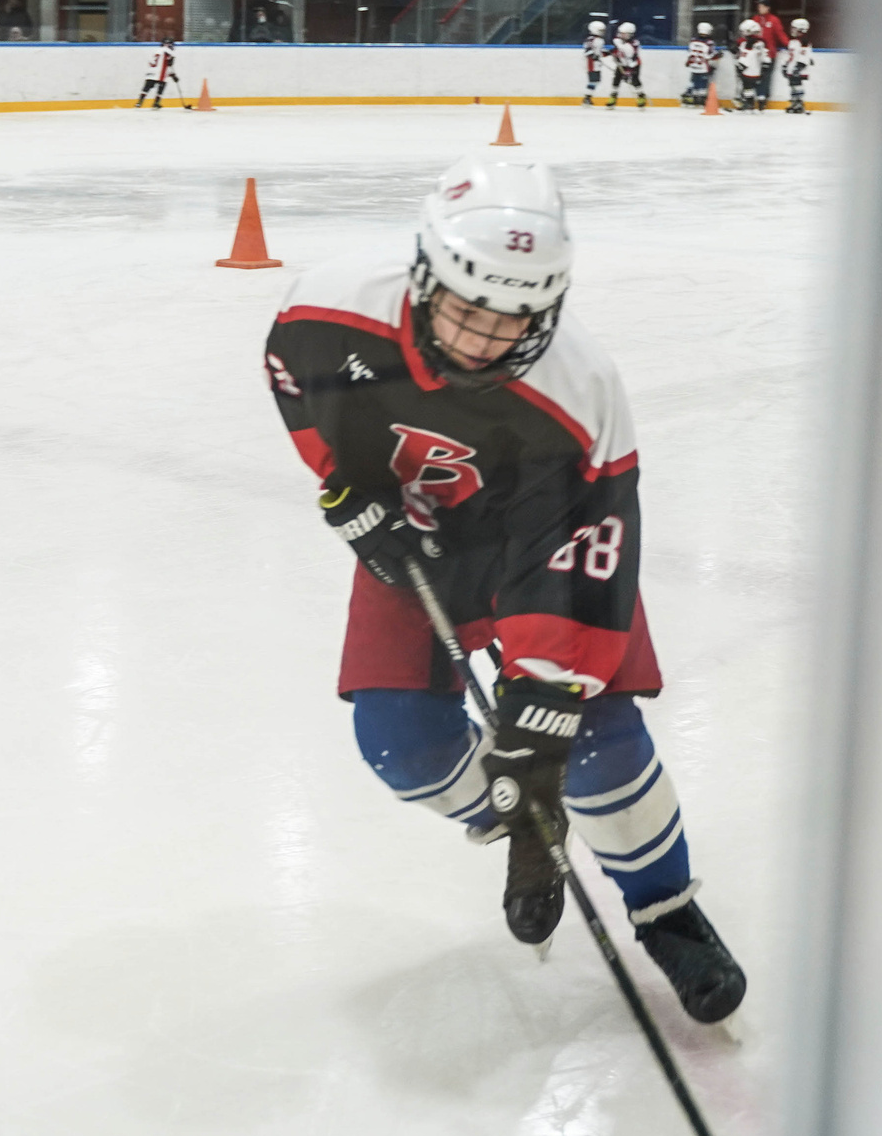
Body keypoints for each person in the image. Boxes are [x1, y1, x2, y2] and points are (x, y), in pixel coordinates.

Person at [263, 155, 747, 1023]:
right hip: (418, 532)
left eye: (513, 318)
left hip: (541, 553)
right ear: (425, 275)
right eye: (466, 311)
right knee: (399, 742)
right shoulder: (327, 312)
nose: (485, 339)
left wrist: (542, 707)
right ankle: (525, 818)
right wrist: (348, 489)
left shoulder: (580, 389)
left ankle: (666, 908)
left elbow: (582, 550)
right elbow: (300, 392)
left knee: (594, 740)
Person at [752, 0, 791, 109]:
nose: (759, 8)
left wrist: (789, 45)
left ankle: (762, 97)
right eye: (758, 6)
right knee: (752, 75)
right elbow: (748, 34)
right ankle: (749, 97)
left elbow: (780, 35)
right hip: (755, 54)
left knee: (765, 76)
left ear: (767, 7)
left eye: (761, 6)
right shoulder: (755, 19)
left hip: (769, 53)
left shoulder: (774, 20)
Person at [607, 20, 646, 109]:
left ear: (630, 34)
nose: (621, 35)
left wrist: (628, 72)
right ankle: (613, 97)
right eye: (621, 33)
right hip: (621, 64)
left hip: (633, 65)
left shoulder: (634, 43)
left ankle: (640, 96)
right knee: (616, 80)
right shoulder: (619, 42)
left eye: (624, 34)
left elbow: (631, 56)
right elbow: (615, 50)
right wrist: (606, 53)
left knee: (635, 80)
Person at [733, 18, 769, 112]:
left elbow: (747, 56)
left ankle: (749, 103)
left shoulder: (748, 43)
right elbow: (765, 55)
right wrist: (765, 65)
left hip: (748, 70)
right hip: (757, 69)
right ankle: (759, 103)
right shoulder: (761, 42)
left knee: (747, 87)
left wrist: (741, 66)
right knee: (754, 86)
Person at [782, 16, 815, 116]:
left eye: (794, 28)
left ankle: (799, 103)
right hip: (792, 68)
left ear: (801, 29)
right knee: (792, 85)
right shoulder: (792, 41)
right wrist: (785, 65)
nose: (792, 30)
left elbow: (805, 55)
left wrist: (799, 66)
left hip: (799, 69)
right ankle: (794, 102)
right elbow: (790, 55)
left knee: (797, 85)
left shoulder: (804, 42)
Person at [682, 22, 717, 110]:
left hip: (693, 66)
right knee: (702, 84)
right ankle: (700, 100)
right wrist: (718, 55)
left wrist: (688, 62)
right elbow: (710, 55)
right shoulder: (709, 42)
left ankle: (689, 96)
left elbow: (690, 53)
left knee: (694, 82)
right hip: (703, 67)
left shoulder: (693, 40)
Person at [137, 36, 178, 108]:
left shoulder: (157, 50)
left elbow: (151, 61)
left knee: (147, 87)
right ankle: (156, 103)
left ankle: (139, 102)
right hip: (160, 73)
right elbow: (169, 65)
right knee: (162, 85)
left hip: (151, 71)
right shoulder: (168, 52)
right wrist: (173, 75)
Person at [580, 18, 607, 105]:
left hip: (596, 63)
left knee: (596, 81)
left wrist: (608, 53)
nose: (603, 32)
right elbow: (588, 51)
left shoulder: (600, 40)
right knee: (594, 80)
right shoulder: (591, 39)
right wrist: (594, 56)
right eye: (601, 30)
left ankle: (588, 97)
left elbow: (599, 51)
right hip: (591, 63)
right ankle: (587, 98)